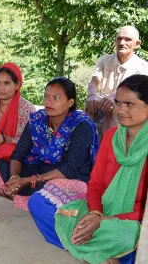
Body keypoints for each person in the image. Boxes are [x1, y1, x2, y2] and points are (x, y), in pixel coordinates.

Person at [39, 74, 148, 264]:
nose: (120, 110)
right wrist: (95, 213)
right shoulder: (112, 136)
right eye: (118, 103)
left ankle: (89, 249)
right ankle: (103, 255)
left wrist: (105, 220)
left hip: (131, 221)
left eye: (129, 104)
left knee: (131, 235)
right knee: (39, 204)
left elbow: (144, 211)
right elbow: (96, 183)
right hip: (99, 210)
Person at [0, 77, 98, 211]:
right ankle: (25, 196)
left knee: (76, 189)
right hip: (39, 169)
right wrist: (15, 177)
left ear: (70, 102)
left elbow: (70, 168)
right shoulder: (37, 119)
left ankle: (21, 196)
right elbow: (18, 154)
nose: (48, 101)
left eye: (56, 98)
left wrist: (26, 181)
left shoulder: (81, 125)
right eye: (46, 96)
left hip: (67, 177)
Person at [86, 26, 148, 138]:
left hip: (127, 108)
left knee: (115, 107)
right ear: (115, 41)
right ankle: (84, 146)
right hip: (103, 103)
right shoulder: (104, 60)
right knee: (89, 105)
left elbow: (134, 95)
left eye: (128, 39)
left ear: (136, 44)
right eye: (119, 39)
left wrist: (115, 99)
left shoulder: (143, 67)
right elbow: (94, 81)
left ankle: (110, 147)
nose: (122, 42)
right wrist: (91, 95)